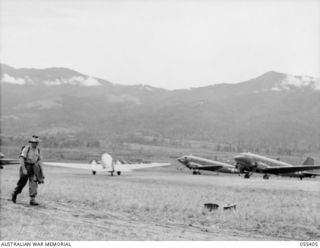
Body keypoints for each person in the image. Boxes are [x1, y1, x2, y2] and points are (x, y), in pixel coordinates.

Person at [11, 135, 45, 206]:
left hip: (34, 168)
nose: (36, 143)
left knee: (34, 182)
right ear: (31, 142)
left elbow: (39, 161)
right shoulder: (26, 149)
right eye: (34, 142)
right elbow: (21, 158)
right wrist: (24, 169)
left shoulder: (38, 150)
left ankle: (32, 200)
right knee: (22, 183)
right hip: (26, 166)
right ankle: (15, 193)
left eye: (37, 142)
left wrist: (42, 172)